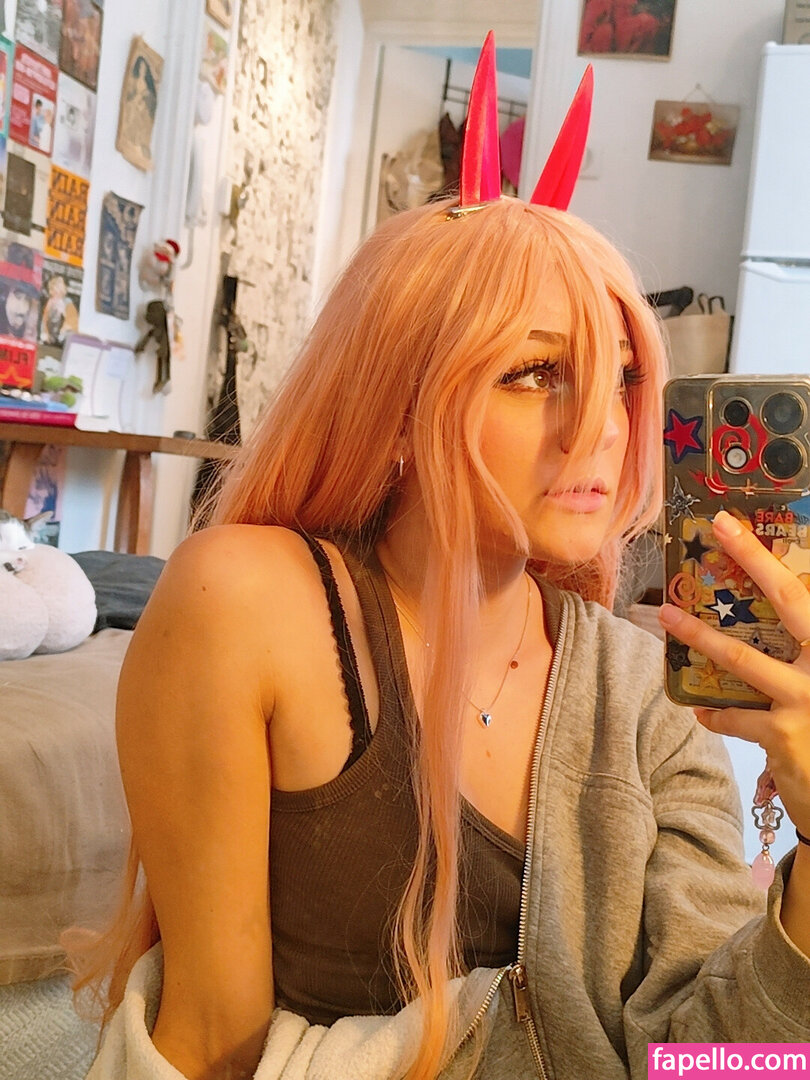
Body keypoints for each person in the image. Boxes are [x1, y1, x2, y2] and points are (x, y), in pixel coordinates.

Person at [80, 39, 810, 1080]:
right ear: (393, 408)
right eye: (535, 372)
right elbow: (208, 1042)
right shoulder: (249, 603)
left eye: (621, 379)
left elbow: (721, 1066)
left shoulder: (648, 694)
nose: (602, 427)